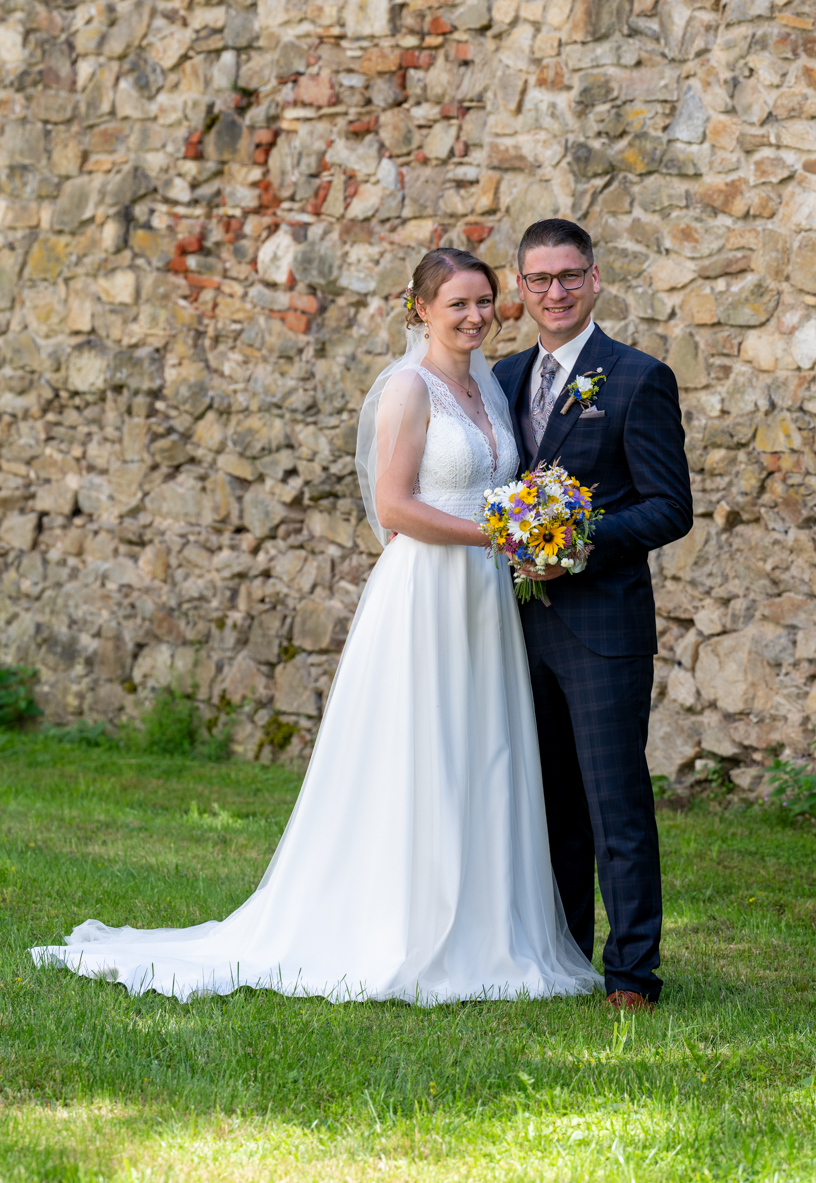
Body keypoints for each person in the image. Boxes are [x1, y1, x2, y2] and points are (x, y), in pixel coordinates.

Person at [32, 247, 602, 1005]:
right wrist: (498, 536)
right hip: (427, 592)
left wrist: (530, 531)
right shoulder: (409, 388)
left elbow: (506, 488)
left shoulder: (489, 387)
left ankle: (487, 926)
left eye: (482, 302)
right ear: (421, 309)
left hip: (485, 596)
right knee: (424, 751)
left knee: (485, 750)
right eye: (457, 304)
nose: (473, 316)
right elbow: (394, 507)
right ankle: (405, 928)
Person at [493, 219, 693, 1011]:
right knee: (549, 807)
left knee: (616, 807)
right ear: (521, 288)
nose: (556, 292)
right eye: (540, 280)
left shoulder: (639, 378)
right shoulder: (502, 377)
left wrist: (576, 542)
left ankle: (632, 973)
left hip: (604, 627)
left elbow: (669, 507)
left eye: (570, 276)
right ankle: (565, 956)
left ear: (596, 279)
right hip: (515, 626)